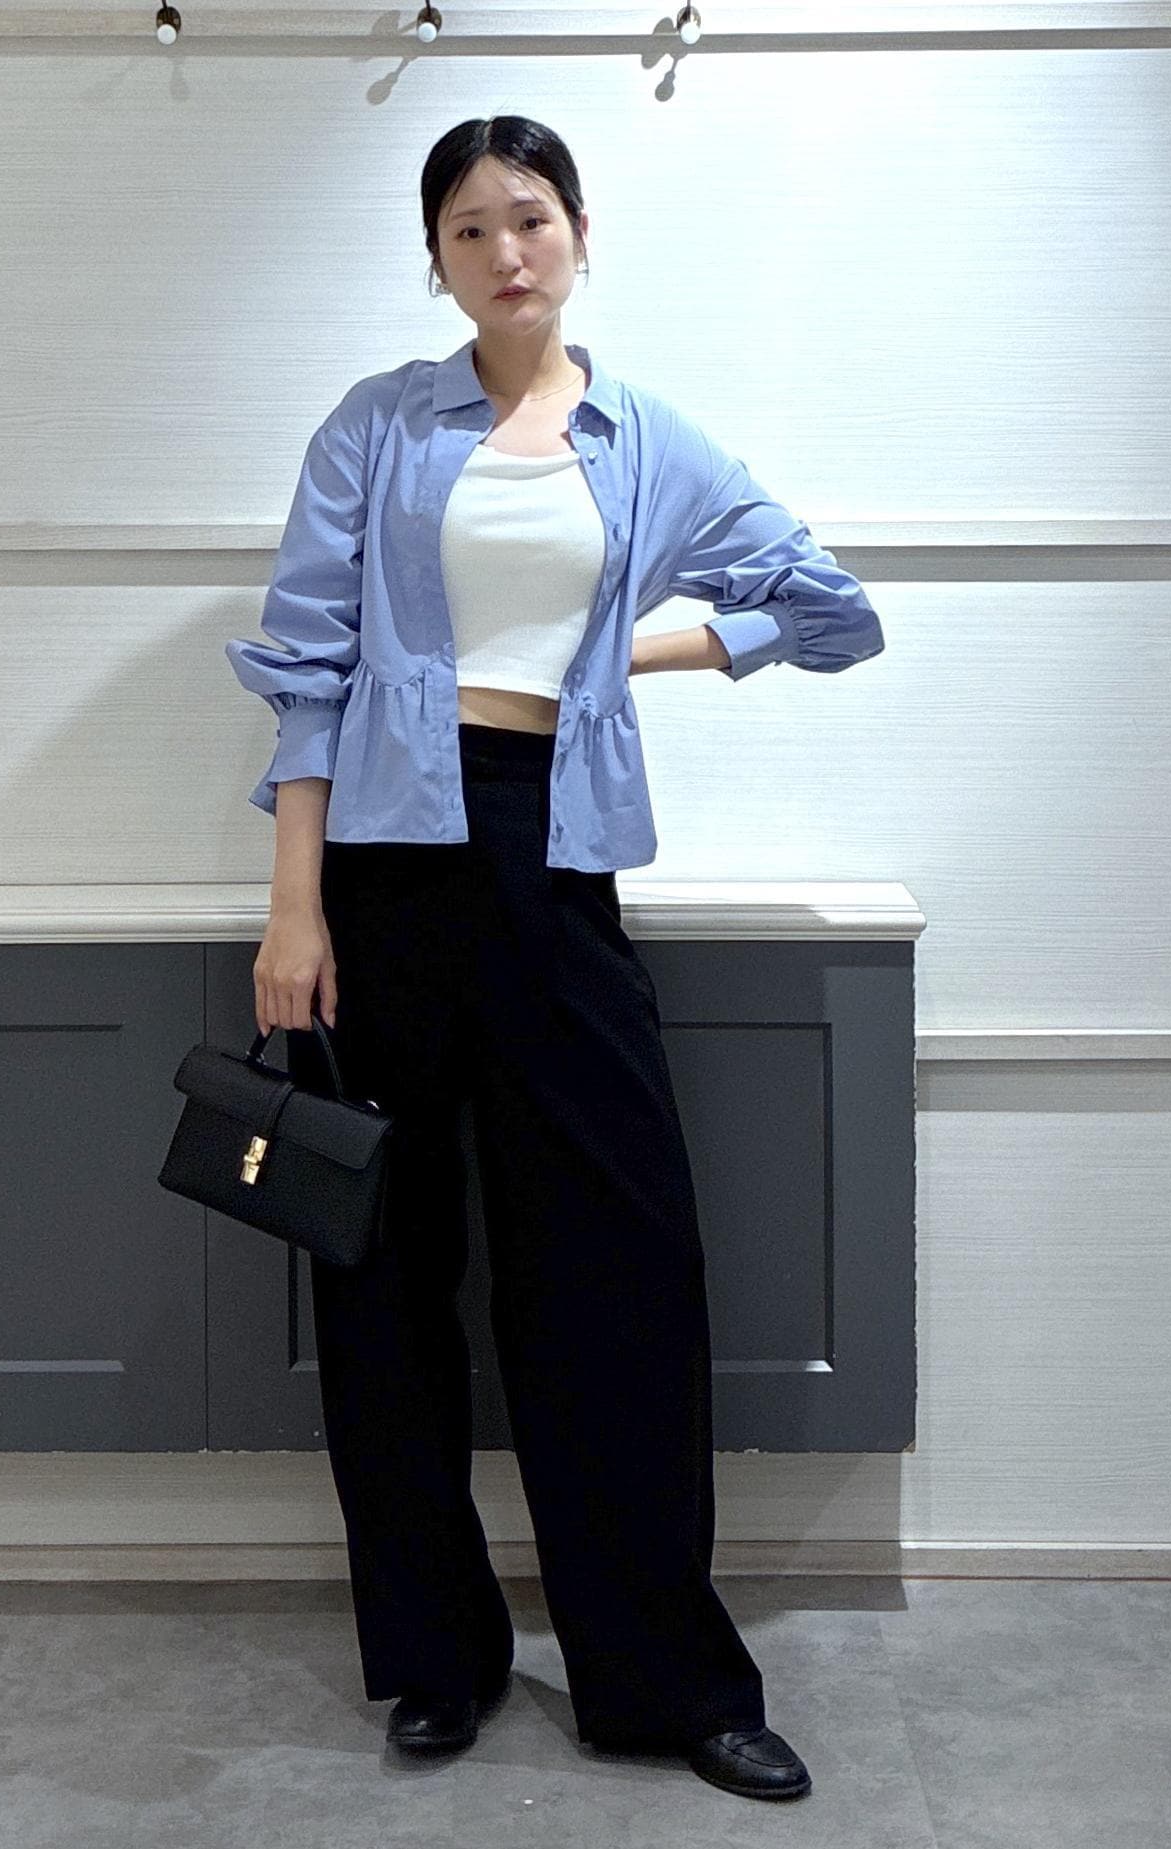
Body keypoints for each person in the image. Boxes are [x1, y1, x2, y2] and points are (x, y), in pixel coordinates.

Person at [225, 114, 885, 1802]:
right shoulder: (377, 428)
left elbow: (830, 607)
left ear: (579, 233)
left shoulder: (644, 440)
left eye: (528, 218)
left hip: (553, 857)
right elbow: (307, 668)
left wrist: (631, 652)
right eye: (467, 229)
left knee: (619, 1272)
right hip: (380, 871)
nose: (503, 251)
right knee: (386, 1275)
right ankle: (434, 1657)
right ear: (435, 260)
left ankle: (664, 1679)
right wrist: (295, 906)